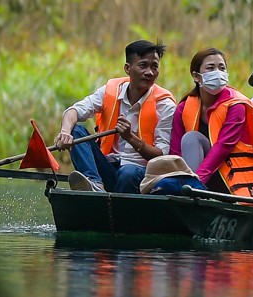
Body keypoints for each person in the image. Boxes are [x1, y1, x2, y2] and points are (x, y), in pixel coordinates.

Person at [56, 39, 175, 194]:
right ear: (127, 68)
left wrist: (131, 138)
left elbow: (161, 156)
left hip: (140, 174)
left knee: (128, 173)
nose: (150, 72)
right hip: (108, 166)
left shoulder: (165, 105)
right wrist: (65, 132)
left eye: (155, 66)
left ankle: (116, 207)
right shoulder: (111, 91)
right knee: (76, 130)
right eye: (143, 65)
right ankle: (95, 184)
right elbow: (73, 112)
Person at [172, 47, 253, 196]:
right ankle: (186, 187)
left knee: (193, 138)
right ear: (196, 76)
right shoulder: (183, 108)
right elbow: (175, 151)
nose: (218, 72)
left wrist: (197, 182)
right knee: (191, 139)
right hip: (197, 174)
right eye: (210, 68)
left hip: (231, 172)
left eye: (222, 68)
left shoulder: (236, 104)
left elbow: (223, 147)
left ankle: (193, 188)